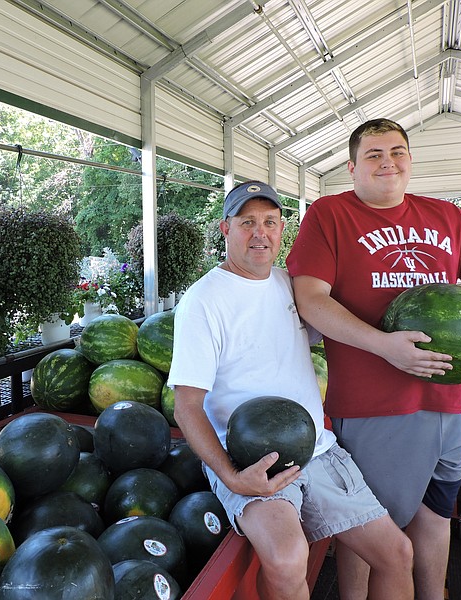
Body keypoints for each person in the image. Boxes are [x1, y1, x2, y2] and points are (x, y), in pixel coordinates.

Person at [285, 118, 461, 600]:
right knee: (370, 534)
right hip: (377, 407)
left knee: (436, 517)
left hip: (449, 402)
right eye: (373, 154)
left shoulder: (447, 217)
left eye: (397, 151)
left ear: (410, 161)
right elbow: (310, 298)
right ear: (352, 167)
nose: (387, 161)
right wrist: (384, 345)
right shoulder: (330, 215)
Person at [167, 180, 414, 600]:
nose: (259, 233)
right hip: (250, 459)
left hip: (317, 449)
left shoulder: (291, 285)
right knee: (285, 559)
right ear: (225, 229)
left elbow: (340, 325)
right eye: (247, 222)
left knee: (397, 554)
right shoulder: (203, 301)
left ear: (282, 229)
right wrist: (232, 477)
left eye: (269, 222)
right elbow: (186, 406)